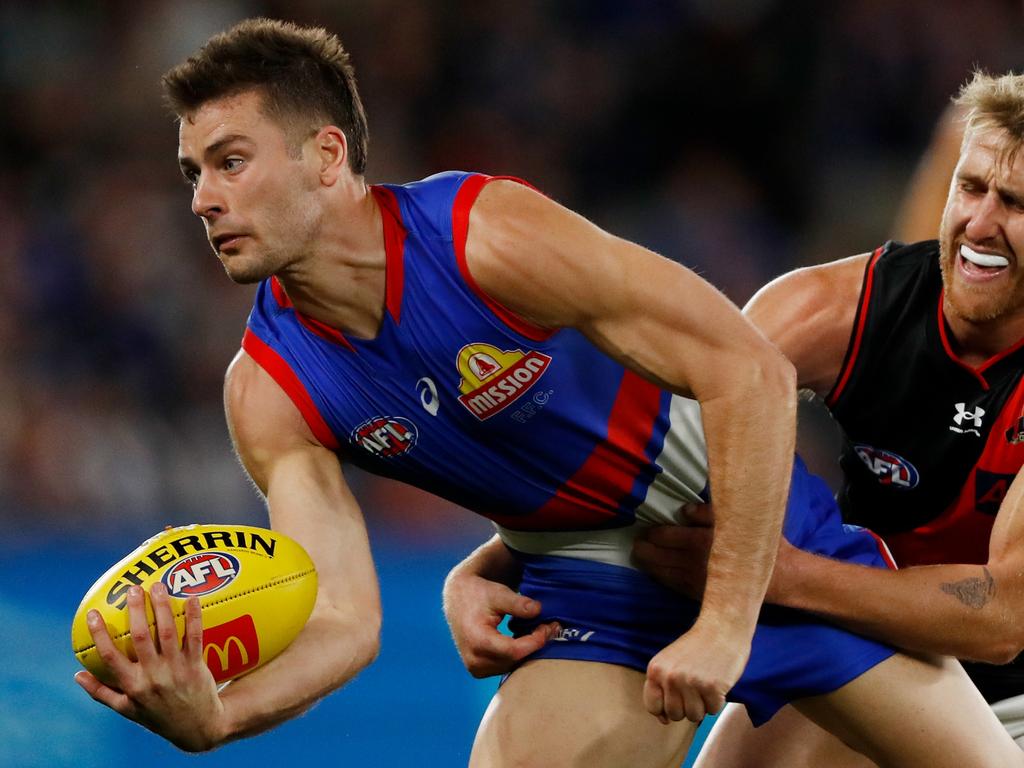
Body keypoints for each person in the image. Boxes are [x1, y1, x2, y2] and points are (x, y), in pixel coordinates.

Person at [71, 19, 1018, 766]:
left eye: (231, 162)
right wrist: (217, 717)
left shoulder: (485, 234)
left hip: (748, 529)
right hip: (590, 580)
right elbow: (345, 620)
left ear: (326, 156)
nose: (201, 198)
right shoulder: (268, 390)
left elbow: (749, 372)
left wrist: (728, 621)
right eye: (193, 172)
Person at [543, 68, 1024, 766]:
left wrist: (782, 574)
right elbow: (651, 447)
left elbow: (1003, 618)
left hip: (1009, 697)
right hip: (860, 644)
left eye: (1013, 201)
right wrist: (496, 559)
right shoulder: (834, 310)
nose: (979, 223)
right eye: (970, 187)